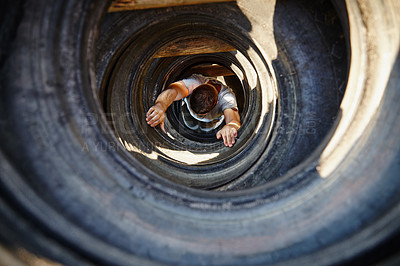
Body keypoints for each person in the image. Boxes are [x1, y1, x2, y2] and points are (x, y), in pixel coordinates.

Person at [146, 74, 241, 147]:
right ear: (194, 89)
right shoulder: (195, 82)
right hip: (187, 114)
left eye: (202, 114)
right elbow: (173, 90)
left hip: (212, 121)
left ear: (217, 103)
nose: (198, 115)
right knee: (189, 124)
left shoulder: (227, 98)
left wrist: (229, 126)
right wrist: (160, 106)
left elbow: (234, 120)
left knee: (205, 129)